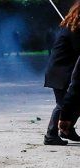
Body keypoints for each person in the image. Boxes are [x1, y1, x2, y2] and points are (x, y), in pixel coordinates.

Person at [44, 0, 80, 145]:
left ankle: (68, 129)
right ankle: (50, 135)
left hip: (65, 71)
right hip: (59, 72)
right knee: (62, 104)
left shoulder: (74, 28)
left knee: (76, 102)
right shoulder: (73, 30)